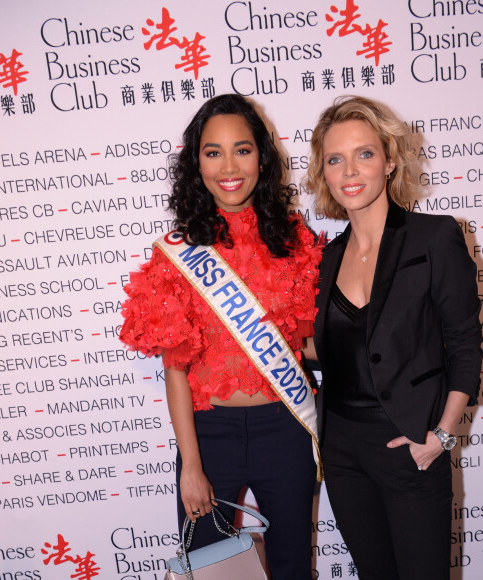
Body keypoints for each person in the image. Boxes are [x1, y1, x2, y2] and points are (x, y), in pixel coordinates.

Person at [119, 94, 322, 580]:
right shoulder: (180, 253)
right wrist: (191, 464)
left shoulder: (295, 243)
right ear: (197, 163)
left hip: (285, 428)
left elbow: (310, 343)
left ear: (262, 156)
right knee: (214, 571)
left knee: (294, 566)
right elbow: (175, 369)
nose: (229, 166)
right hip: (209, 438)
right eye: (213, 152)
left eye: (242, 149)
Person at [304, 96, 483, 580]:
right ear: (323, 172)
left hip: (411, 448)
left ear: (390, 160)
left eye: (364, 153)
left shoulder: (434, 237)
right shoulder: (324, 259)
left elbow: (465, 343)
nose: (350, 171)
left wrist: (441, 436)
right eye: (335, 159)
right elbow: (337, 349)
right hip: (342, 452)